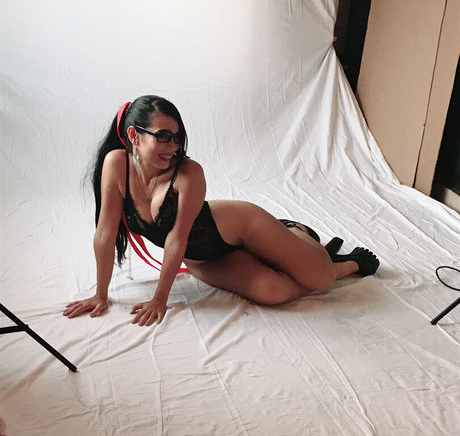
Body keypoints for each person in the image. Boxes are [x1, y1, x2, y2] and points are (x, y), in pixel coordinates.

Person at [63, 95, 379, 326]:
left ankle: (334, 258)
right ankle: (309, 254)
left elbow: (176, 238)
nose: (173, 147)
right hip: (202, 258)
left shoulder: (188, 173)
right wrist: (101, 294)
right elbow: (105, 233)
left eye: (177, 138)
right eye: (163, 137)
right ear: (134, 135)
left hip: (242, 226)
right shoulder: (116, 164)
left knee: (321, 278)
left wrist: (160, 299)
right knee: (272, 292)